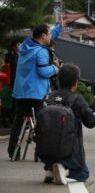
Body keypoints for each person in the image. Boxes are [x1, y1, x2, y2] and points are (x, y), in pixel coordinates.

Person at [8, 22, 62, 159]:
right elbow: (43, 71)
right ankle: (41, 152)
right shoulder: (41, 51)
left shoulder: (26, 46)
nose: (51, 36)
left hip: (21, 91)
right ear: (43, 36)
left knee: (19, 121)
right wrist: (56, 68)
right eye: (49, 34)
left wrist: (58, 27)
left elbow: (46, 36)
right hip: (36, 93)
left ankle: (13, 152)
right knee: (40, 122)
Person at [42, 63, 95, 185]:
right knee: (83, 174)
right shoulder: (76, 98)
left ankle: (51, 168)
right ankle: (63, 168)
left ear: (59, 80)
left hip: (46, 151)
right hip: (69, 150)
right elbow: (91, 122)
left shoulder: (48, 97)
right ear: (76, 82)